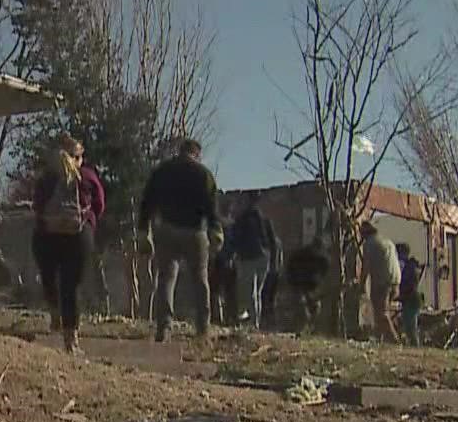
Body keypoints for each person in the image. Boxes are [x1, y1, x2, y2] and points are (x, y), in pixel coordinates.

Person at [139, 138, 223, 343]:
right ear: (197, 153)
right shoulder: (204, 175)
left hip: (167, 229)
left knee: (166, 278)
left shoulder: (162, 171)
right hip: (195, 232)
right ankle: (203, 328)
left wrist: (143, 229)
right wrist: (216, 230)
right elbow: (212, 207)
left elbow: (147, 201)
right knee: (200, 280)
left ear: (180, 151)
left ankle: (164, 328)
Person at [31, 136, 105, 354]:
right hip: (78, 235)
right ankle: (71, 342)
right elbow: (99, 204)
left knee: (49, 276)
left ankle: (54, 311)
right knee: (71, 287)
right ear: (78, 156)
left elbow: (37, 205)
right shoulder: (88, 176)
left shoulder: (46, 178)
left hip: (47, 235)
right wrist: (88, 220)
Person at [226, 197, 279, 329]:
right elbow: (273, 243)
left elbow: (234, 241)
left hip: (249, 258)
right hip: (263, 259)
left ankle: (251, 323)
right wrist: (274, 262)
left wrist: (230, 256)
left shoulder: (241, 221)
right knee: (256, 293)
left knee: (248, 293)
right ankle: (254, 321)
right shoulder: (264, 220)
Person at [359, 221, 401, 342]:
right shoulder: (387, 241)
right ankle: (380, 338)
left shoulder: (370, 244)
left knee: (381, 313)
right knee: (382, 313)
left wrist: (362, 284)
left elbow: (366, 267)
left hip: (382, 282)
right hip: (395, 281)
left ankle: (395, 340)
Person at [286, 234, 330, 323]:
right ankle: (302, 323)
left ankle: (310, 323)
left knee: (314, 305)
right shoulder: (301, 255)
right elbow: (290, 267)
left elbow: (325, 273)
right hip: (299, 283)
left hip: (312, 285)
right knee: (301, 305)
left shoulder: (323, 259)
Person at [396, 242, 426, 346]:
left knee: (411, 328)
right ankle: (413, 346)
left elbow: (409, 286)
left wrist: (401, 295)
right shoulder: (411, 266)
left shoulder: (410, 268)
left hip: (411, 300)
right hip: (411, 299)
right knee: (409, 327)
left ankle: (415, 348)